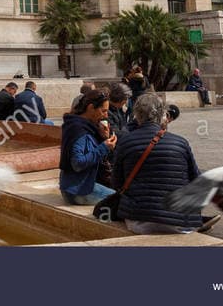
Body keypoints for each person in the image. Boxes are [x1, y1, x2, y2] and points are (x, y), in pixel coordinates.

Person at [111, 93, 213, 235]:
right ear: (163, 114)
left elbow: (117, 183)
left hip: (139, 220)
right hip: (180, 222)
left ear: (136, 114)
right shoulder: (180, 143)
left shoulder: (125, 142)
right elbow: (196, 180)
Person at [59, 88, 117, 205]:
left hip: (75, 186)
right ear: (91, 108)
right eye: (103, 111)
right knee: (122, 202)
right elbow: (77, 163)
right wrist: (104, 147)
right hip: (78, 191)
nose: (106, 115)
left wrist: (104, 138)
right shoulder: (79, 130)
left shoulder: (83, 126)